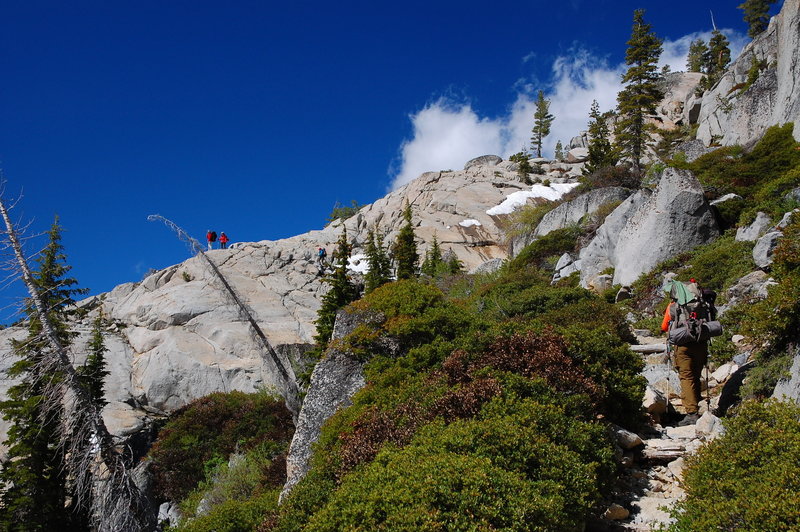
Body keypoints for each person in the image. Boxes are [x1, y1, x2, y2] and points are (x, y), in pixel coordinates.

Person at [661, 278, 712, 426]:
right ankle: (696, 405)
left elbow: (664, 326)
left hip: (683, 345)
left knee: (686, 376)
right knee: (696, 375)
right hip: (701, 343)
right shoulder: (703, 304)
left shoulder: (674, 306)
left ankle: (691, 413)